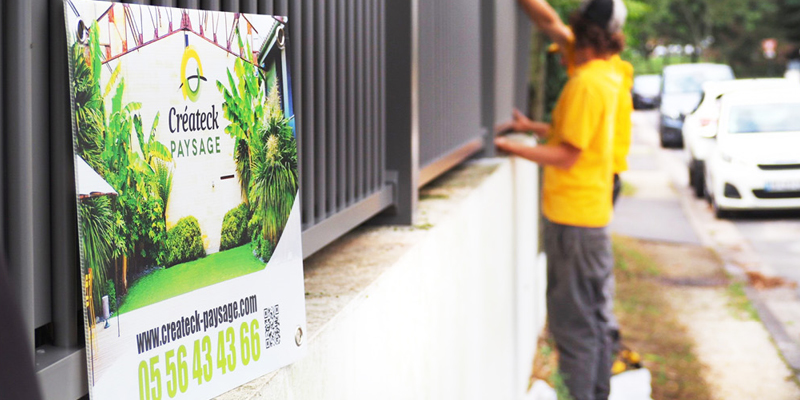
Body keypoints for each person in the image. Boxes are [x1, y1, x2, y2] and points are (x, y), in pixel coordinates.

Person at [494, 0, 627, 399]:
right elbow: (570, 131)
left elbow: (568, 154)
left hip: (574, 224)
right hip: (589, 217)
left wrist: (513, 147)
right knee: (595, 321)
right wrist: (531, 128)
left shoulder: (586, 83)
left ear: (581, 32)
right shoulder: (606, 75)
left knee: (574, 330)